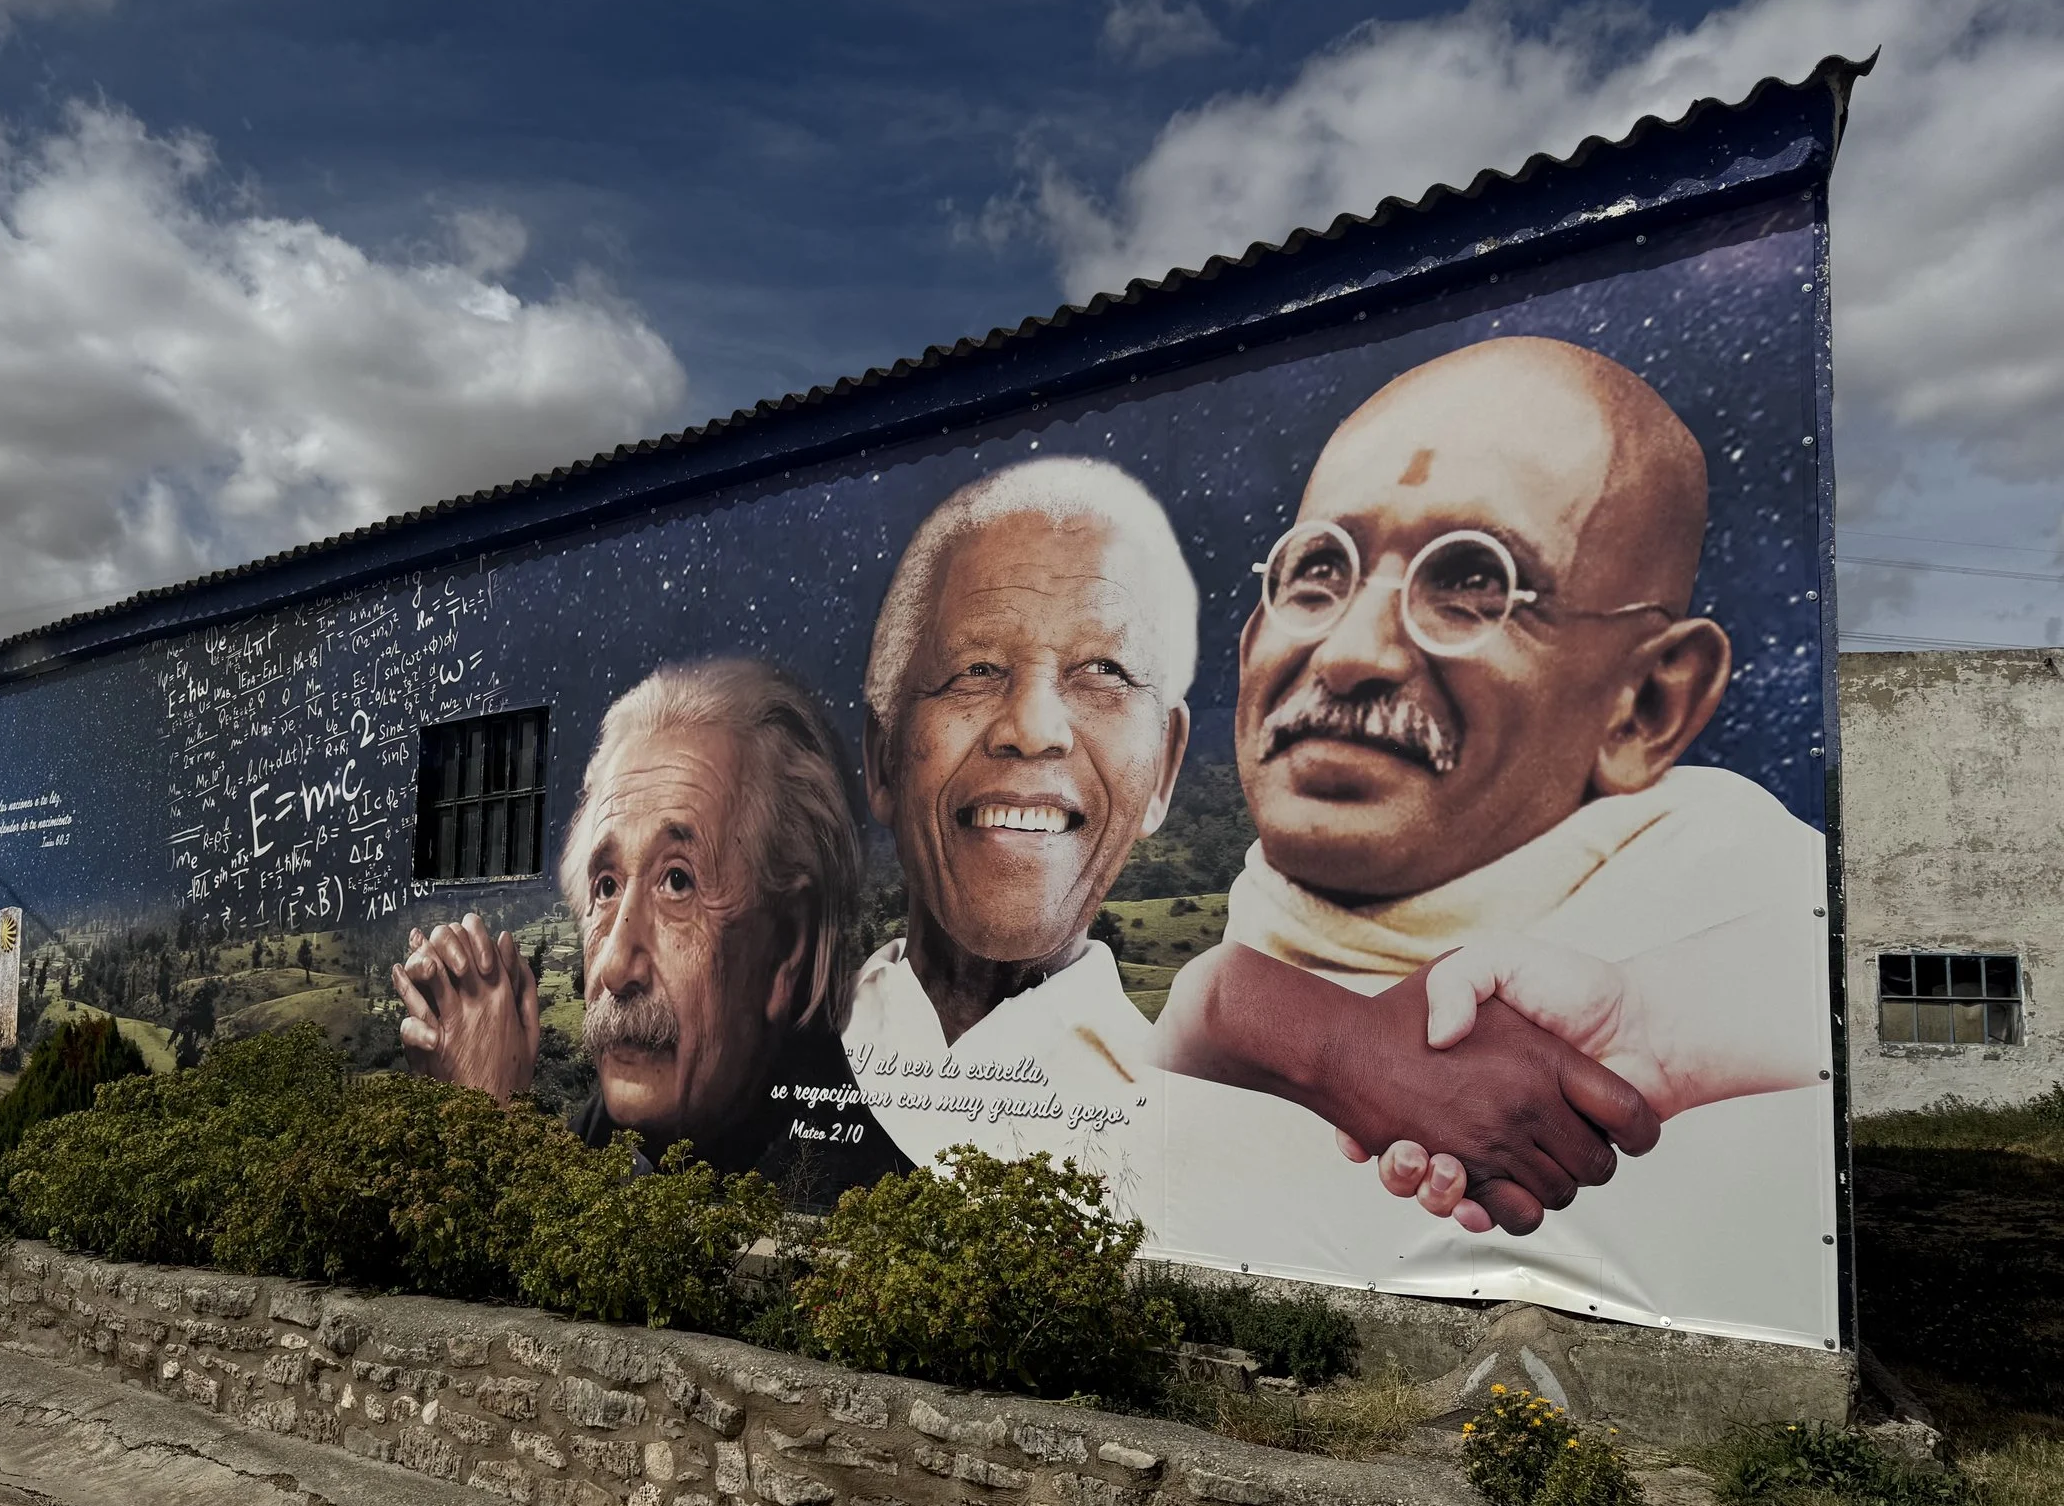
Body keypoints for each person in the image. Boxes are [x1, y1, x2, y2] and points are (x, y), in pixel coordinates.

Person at [847, 454, 1657, 1213]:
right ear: (883, 760)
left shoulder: (1228, 1113)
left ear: (1163, 769)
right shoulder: (788, 1048)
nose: (1034, 728)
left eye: (1104, 672)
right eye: (975, 670)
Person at [1155, 335, 1827, 1232]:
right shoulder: (1260, 925)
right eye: (1317, 574)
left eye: (1474, 585)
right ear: (1250, 646)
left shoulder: (1754, 919)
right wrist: (1239, 1005)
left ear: (1646, 706)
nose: (1350, 652)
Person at [394, 658, 895, 1205]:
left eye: (677, 881)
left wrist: (488, 1126)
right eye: (606, 887)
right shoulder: (603, 1137)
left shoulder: (854, 1208)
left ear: (786, 948)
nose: (613, 967)